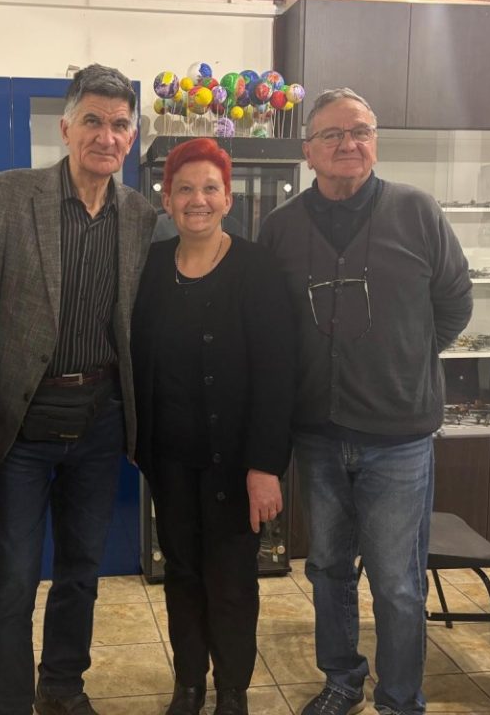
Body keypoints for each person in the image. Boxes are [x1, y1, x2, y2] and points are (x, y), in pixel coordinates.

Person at [258, 88, 473, 715]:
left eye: (361, 131)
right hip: (317, 434)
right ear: (307, 151)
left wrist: (405, 358)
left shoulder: (417, 212)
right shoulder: (281, 228)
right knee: (327, 568)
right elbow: (270, 323)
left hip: (399, 438)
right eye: (332, 134)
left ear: (375, 143)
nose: (348, 144)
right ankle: (342, 680)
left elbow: (455, 302)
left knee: (397, 582)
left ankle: (400, 699)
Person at [0, 63, 157, 715]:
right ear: (66, 128)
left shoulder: (140, 215)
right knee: (16, 573)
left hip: (100, 420)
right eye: (93, 121)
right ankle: (7, 702)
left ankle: (62, 686)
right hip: (23, 422)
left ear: (132, 137)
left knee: (81, 570)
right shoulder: (11, 195)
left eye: (120, 125)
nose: (107, 136)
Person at [131, 138, 295, 715]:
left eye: (209, 188)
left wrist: (266, 465)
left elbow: (278, 372)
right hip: (170, 459)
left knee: (230, 579)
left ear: (227, 198)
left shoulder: (257, 268)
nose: (196, 200)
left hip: (237, 462)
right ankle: (189, 684)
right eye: (184, 189)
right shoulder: (151, 268)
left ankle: (231, 689)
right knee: (181, 572)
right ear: (166, 199)